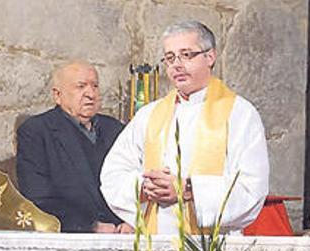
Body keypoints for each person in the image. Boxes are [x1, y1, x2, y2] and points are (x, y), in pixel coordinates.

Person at [100, 21, 269, 234]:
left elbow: (251, 187)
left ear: (210, 57)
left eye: (186, 55)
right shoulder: (149, 115)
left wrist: (188, 190)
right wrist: (145, 188)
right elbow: (113, 173)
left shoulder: (239, 114)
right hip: (154, 245)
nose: (176, 65)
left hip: (212, 249)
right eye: (170, 58)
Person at [17, 61, 131, 234]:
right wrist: (90, 227)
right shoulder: (37, 132)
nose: (90, 94)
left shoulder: (116, 129)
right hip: (71, 235)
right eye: (81, 86)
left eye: (95, 86)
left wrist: (131, 221)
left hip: (122, 234)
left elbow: (133, 180)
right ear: (57, 95)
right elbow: (37, 196)